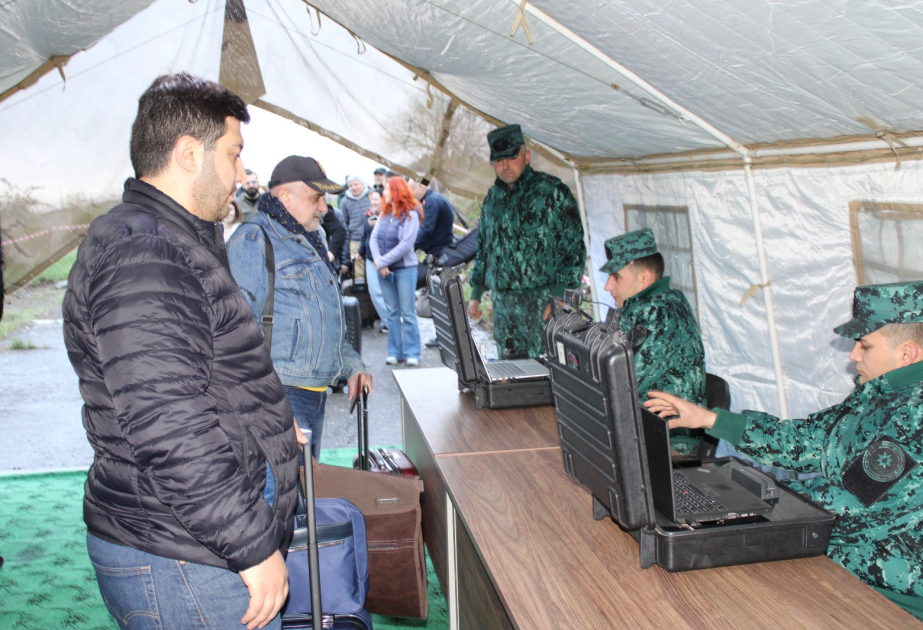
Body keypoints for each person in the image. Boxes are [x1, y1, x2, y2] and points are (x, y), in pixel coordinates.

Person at [63, 72, 300, 630]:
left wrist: (264, 430)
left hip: (187, 540)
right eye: (234, 154)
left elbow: (195, 376)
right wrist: (250, 544)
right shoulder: (146, 253)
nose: (241, 174)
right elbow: (167, 420)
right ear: (189, 154)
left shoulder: (167, 240)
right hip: (186, 556)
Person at [644, 281, 923, 620]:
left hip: (883, 595)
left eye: (864, 345)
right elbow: (807, 439)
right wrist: (711, 419)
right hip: (839, 562)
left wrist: (748, 498)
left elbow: (850, 506)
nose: (853, 355)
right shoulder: (881, 392)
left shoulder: (915, 418)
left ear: (907, 354)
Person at [227, 156, 373, 459]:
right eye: (316, 197)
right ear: (285, 196)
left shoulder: (312, 237)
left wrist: (352, 366)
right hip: (280, 393)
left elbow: (327, 316)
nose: (324, 207)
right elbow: (235, 337)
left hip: (313, 392)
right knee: (282, 486)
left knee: (305, 483)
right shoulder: (253, 240)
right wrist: (267, 408)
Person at [468, 124, 586, 359]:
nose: (505, 166)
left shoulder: (552, 192)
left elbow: (574, 248)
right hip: (504, 309)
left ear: (527, 156)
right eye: (499, 160)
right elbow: (484, 248)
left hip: (543, 304)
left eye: (511, 158)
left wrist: (559, 297)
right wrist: (476, 293)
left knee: (546, 370)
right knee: (511, 371)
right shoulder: (492, 199)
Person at [602, 228, 706, 453]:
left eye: (616, 277)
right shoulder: (653, 306)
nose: (607, 287)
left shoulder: (660, 314)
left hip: (669, 443)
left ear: (644, 278)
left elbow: (618, 383)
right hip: (642, 431)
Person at [370, 176, 423, 366]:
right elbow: (373, 239)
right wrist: (379, 263)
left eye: (386, 189)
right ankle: (394, 351)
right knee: (391, 312)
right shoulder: (384, 214)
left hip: (405, 270)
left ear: (397, 191)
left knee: (407, 312)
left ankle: (412, 352)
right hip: (384, 270)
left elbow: (406, 245)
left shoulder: (411, 214)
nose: (383, 192)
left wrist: (382, 262)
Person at [357, 190, 391, 330]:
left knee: (388, 291)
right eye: (372, 199)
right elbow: (365, 236)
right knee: (374, 291)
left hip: (385, 259)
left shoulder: (390, 215)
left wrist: (378, 225)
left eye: (376, 199)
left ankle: (393, 321)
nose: (373, 202)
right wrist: (360, 252)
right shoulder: (368, 215)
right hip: (370, 259)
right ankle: (387, 321)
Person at [413, 178, 455, 258]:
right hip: (445, 247)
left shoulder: (430, 201)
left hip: (438, 251)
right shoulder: (437, 197)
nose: (412, 195)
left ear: (421, 186)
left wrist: (412, 246)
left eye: (412, 191)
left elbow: (426, 229)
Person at [340, 175, 371, 281]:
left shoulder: (370, 197)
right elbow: (344, 224)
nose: (353, 187)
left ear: (362, 184)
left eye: (356, 184)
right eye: (351, 185)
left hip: (372, 239)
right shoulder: (344, 201)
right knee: (359, 274)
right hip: (355, 240)